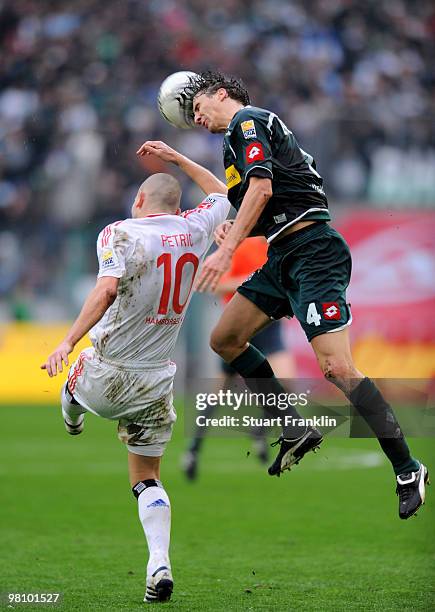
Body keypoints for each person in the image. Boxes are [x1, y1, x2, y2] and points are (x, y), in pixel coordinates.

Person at [143, 69, 428, 520]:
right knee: (226, 339)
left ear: (223, 94)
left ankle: (407, 467)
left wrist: (229, 247)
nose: (195, 118)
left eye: (197, 108)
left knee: (337, 368)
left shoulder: (249, 121)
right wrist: (180, 160)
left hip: (314, 251)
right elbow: (235, 199)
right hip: (282, 256)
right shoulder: (236, 141)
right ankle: (292, 426)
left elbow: (262, 188)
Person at [41, 169, 230, 603]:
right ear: (177, 205)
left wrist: (67, 340)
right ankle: (158, 562)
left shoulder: (119, 233)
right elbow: (223, 192)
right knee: (147, 480)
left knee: (74, 379)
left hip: (106, 372)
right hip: (156, 379)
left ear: (140, 200)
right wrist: (176, 156)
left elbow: (106, 290)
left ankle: (72, 420)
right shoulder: (195, 227)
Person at [182, 235, 295, 479]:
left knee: (287, 380)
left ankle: (260, 429)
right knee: (217, 393)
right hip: (241, 324)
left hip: (269, 324)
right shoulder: (242, 247)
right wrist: (254, 282)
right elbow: (216, 285)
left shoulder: (286, 245)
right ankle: (193, 449)